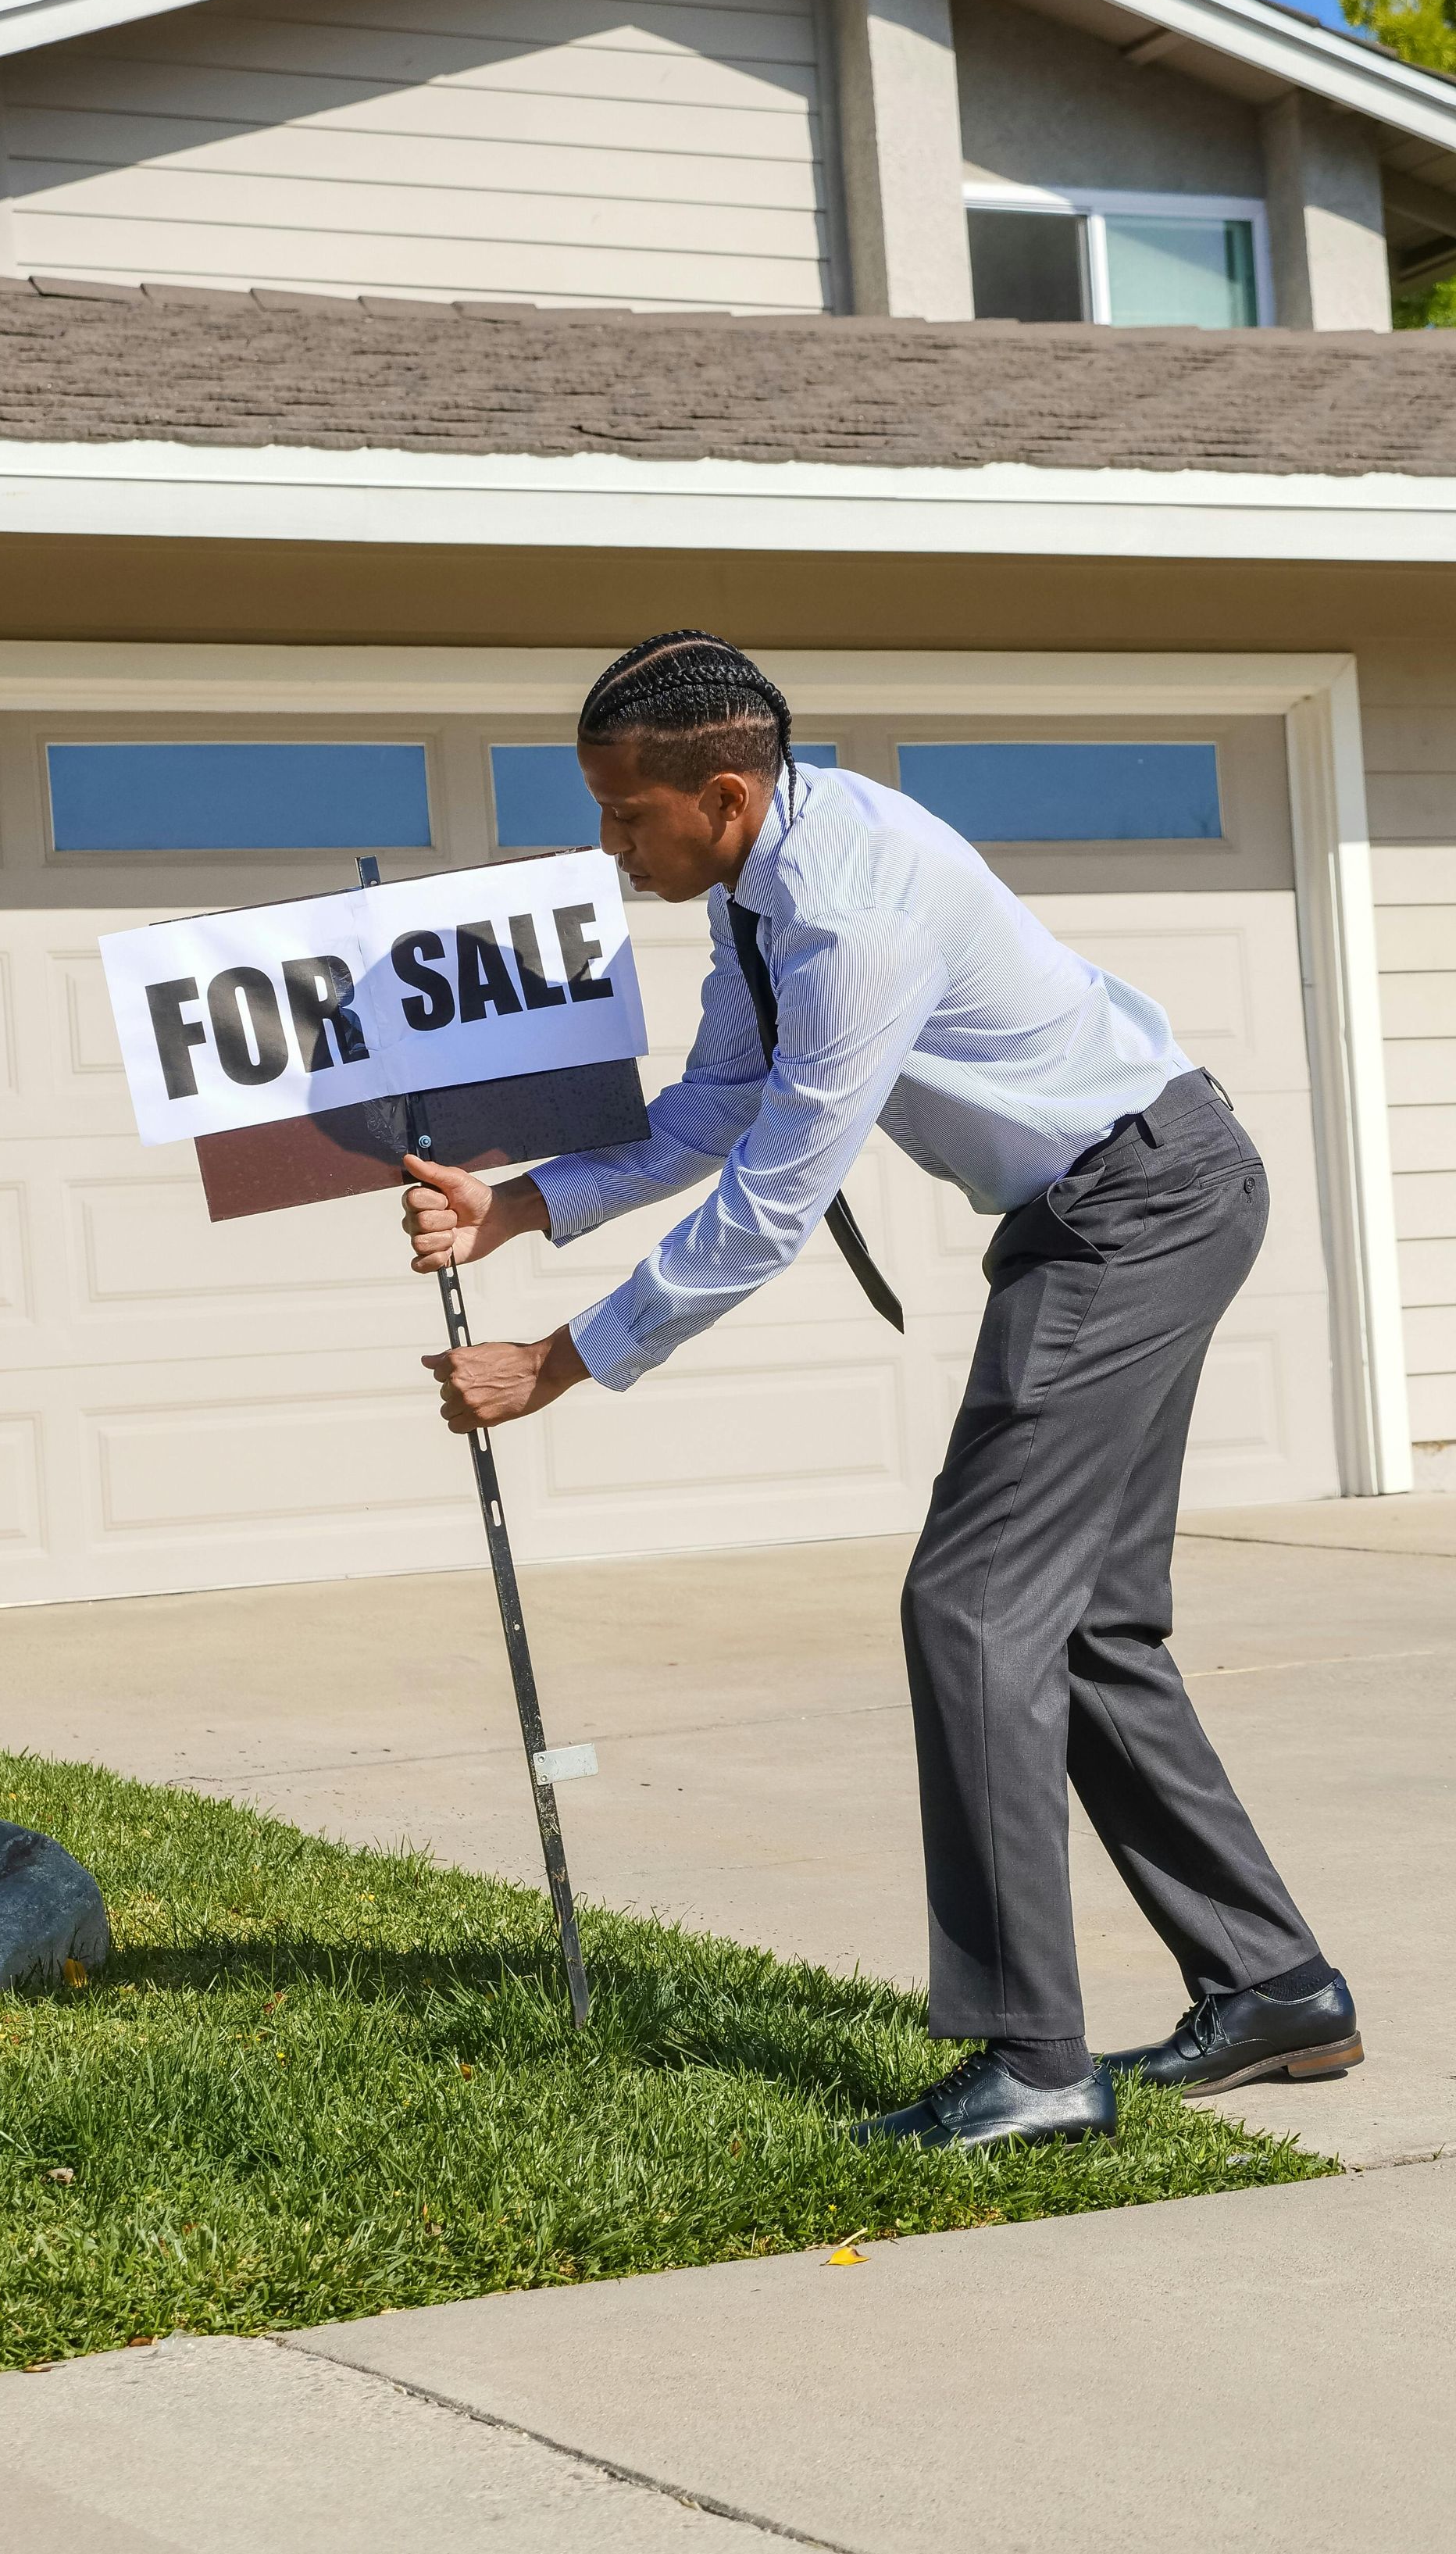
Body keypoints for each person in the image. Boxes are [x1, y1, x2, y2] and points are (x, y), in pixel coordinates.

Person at [400, 630, 1362, 2153]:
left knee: (972, 1605)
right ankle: (1278, 1983)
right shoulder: (761, 895)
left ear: (721, 794)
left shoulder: (849, 909)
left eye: (625, 816)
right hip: (1109, 1206)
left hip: (1142, 1202)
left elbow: (777, 1201)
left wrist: (556, 1361)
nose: (610, 845)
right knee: (1085, 1621)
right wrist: (518, 1203)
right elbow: (713, 1113)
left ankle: (1034, 2062)